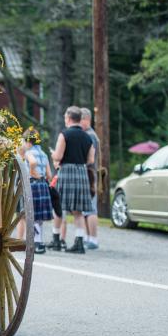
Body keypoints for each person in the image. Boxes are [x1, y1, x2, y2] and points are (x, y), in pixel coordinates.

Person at [51, 106, 95, 254]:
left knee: (58, 207)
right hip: (81, 172)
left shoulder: (64, 135)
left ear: (69, 118)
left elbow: (57, 156)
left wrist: (54, 156)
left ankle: (56, 239)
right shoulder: (87, 137)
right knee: (78, 211)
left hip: (67, 171)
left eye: (65, 117)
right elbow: (91, 159)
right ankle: (79, 242)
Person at [21, 129, 54, 254]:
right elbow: (49, 174)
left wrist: (31, 172)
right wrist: (41, 176)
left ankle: (35, 243)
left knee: (32, 215)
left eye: (24, 141)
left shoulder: (29, 152)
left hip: (32, 185)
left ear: (28, 142)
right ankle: (39, 242)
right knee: (39, 217)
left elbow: (33, 162)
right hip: (42, 185)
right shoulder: (44, 154)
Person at [80, 107, 100, 250]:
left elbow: (90, 158)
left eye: (80, 119)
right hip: (88, 172)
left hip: (90, 173)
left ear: (87, 120)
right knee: (86, 208)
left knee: (91, 208)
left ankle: (93, 239)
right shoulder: (87, 134)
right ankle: (87, 237)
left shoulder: (90, 136)